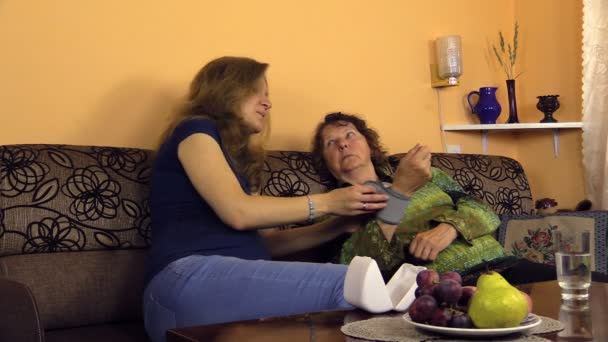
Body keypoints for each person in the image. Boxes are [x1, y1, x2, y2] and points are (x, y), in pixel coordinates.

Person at [143, 57, 390, 341]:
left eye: (268, 95)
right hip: (184, 282)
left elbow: (270, 243)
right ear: (227, 89)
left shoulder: (239, 164)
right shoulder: (195, 130)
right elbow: (238, 212)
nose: (267, 104)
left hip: (224, 290)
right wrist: (330, 202)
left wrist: (336, 225)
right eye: (257, 92)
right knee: (352, 283)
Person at [310, 112, 507, 281]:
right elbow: (363, 265)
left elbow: (485, 211)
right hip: (447, 286)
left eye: (350, 135)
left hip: (502, 263)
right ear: (325, 162)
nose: (343, 144)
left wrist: (451, 228)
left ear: (369, 144)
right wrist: (400, 192)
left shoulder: (423, 173)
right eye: (331, 143)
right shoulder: (331, 206)